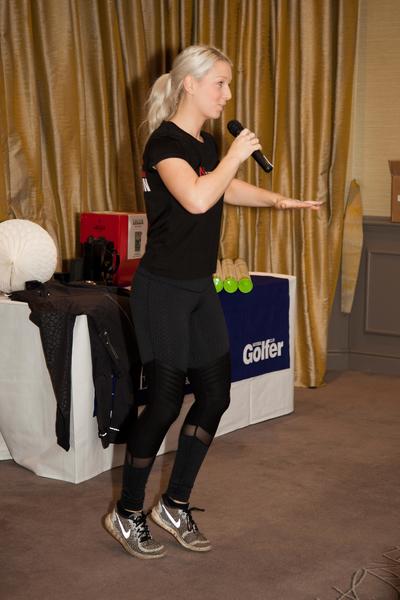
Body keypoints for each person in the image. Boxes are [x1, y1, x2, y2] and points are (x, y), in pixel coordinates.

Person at [105, 45, 322, 560]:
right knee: (163, 404)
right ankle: (128, 511)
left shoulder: (204, 143)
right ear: (190, 84)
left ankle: (174, 503)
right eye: (219, 83)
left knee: (215, 395)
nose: (227, 95)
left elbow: (223, 188)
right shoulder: (164, 143)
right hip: (162, 290)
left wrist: (278, 200)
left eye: (228, 84)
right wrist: (234, 156)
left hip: (199, 287)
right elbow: (198, 197)